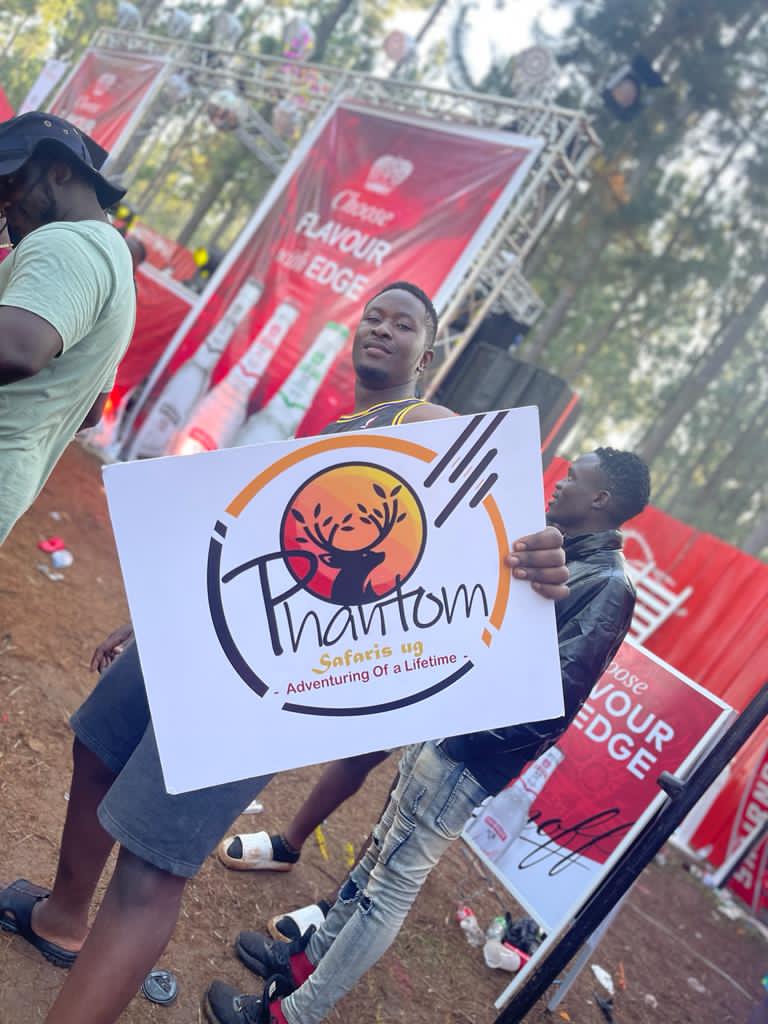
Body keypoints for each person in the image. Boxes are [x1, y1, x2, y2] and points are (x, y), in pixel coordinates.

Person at [0, 282, 568, 1024]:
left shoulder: (424, 423)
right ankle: (62, 919)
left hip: (267, 678)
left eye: (403, 325)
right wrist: (160, 616)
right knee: (99, 746)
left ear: (426, 357)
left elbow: (488, 513)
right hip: (209, 634)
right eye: (373, 317)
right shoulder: (342, 428)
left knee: (150, 867)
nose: (382, 329)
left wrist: (534, 551)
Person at [202, 445, 650, 1024]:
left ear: (601, 499)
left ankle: (292, 1015)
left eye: (573, 478)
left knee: (390, 887)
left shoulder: (608, 584)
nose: (559, 484)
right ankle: (303, 964)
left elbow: (552, 701)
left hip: (465, 752)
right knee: (378, 859)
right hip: (447, 729)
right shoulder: (553, 551)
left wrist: (462, 721)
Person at [0, 112, 136, 545]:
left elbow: (18, 350)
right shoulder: (115, 264)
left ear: (59, 171)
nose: (4, 204)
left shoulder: (66, 243)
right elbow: (91, 410)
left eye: (9, 184)